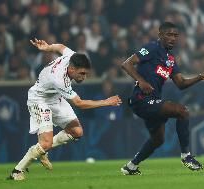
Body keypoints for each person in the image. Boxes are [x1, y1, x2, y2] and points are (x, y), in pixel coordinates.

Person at [8, 38, 122, 180]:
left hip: (54, 97)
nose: (84, 77)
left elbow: (60, 46)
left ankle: (42, 150)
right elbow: (79, 103)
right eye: (81, 74)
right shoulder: (59, 79)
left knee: (77, 132)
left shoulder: (72, 56)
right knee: (46, 143)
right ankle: (17, 171)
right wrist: (106, 102)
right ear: (72, 69)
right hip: (39, 99)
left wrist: (48, 47)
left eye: (86, 74)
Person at [120, 22, 204, 175]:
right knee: (182, 111)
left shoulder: (170, 59)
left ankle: (130, 167)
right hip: (141, 99)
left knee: (158, 139)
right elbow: (126, 64)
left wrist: (201, 76)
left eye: (175, 35)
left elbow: (181, 83)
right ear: (160, 35)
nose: (173, 38)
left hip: (152, 101)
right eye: (169, 35)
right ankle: (186, 156)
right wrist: (142, 81)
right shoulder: (152, 48)